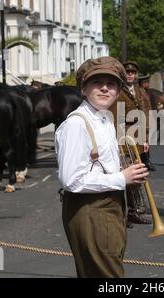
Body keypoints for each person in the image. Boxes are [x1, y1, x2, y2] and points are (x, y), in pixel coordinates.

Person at [55, 57, 149, 278]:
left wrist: (129, 173)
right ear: (84, 88)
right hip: (90, 208)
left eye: (112, 83)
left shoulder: (104, 119)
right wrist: (121, 178)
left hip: (108, 205)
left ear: (118, 91)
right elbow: (72, 180)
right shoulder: (77, 124)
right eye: (97, 82)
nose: (105, 88)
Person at [110, 61, 152, 227]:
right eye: (127, 72)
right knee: (125, 176)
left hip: (138, 138)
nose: (130, 75)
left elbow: (147, 114)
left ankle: (135, 211)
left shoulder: (141, 92)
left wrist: (146, 137)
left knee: (137, 175)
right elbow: (113, 116)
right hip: (123, 138)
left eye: (133, 72)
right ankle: (122, 213)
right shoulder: (118, 92)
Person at [138, 74, 157, 171]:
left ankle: (146, 161)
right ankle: (145, 161)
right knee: (143, 142)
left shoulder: (147, 92)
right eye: (145, 82)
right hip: (143, 121)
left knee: (146, 142)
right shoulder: (140, 92)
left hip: (148, 120)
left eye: (147, 82)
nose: (147, 84)